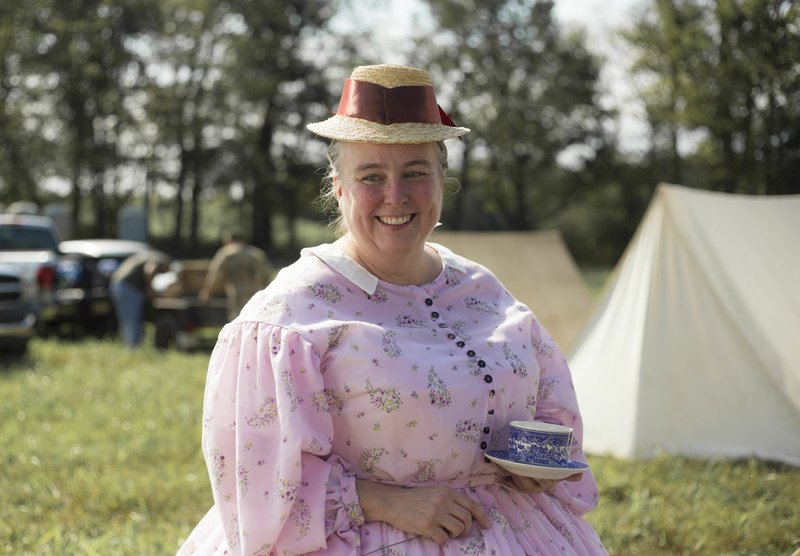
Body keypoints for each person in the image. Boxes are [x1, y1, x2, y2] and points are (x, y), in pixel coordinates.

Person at [179, 64, 607, 555]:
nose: (396, 196)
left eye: (415, 173)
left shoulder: (482, 288)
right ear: (338, 188)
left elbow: (549, 399)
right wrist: (385, 501)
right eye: (371, 177)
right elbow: (257, 482)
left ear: (442, 180)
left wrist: (536, 463)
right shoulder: (288, 316)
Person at [198, 232, 274, 321]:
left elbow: (215, 275)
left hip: (236, 295)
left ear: (229, 240)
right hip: (255, 294)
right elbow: (268, 277)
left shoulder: (226, 253)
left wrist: (206, 292)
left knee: (237, 320)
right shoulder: (257, 254)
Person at [109, 251, 170, 347]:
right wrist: (151, 291)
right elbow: (149, 271)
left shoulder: (148, 256)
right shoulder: (157, 260)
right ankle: (134, 348)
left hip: (117, 284)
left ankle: (129, 345)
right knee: (133, 319)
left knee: (126, 320)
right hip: (129, 287)